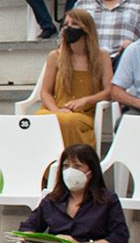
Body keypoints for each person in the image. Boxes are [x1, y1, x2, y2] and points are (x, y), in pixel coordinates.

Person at [34, 9, 113, 147]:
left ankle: (75, 162)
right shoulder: (55, 56)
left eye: (74, 24)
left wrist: (87, 100)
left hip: (83, 113)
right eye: (65, 24)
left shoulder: (102, 57)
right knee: (41, 120)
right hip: (55, 109)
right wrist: (56, 110)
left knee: (68, 121)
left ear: (86, 28)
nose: (68, 27)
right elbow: (45, 92)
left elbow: (109, 91)